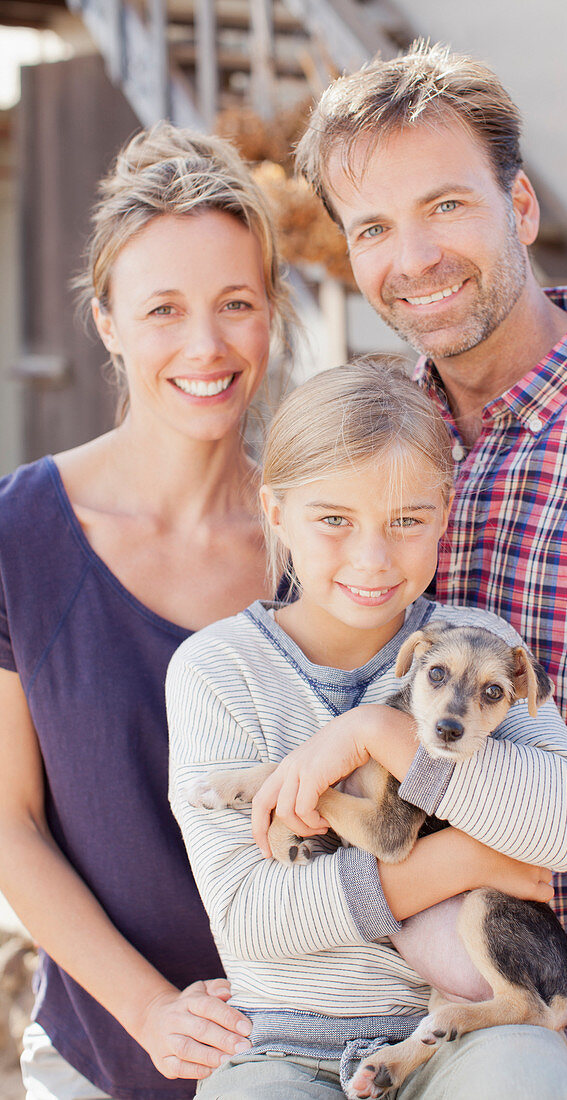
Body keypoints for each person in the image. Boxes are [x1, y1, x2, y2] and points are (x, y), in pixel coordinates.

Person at [292, 41, 567, 1097]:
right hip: (400, 1048)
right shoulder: (373, 451)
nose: (414, 257)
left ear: (521, 205)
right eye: (373, 228)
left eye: (445, 205)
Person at [167, 359, 567, 1100]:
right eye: (333, 519)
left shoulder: (478, 647)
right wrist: (473, 861)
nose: (372, 557)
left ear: (444, 510)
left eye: (406, 520)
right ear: (275, 512)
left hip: (474, 1033)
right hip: (283, 1040)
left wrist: (377, 730)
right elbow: (250, 920)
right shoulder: (217, 669)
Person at [0, 121, 296, 1100]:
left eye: (235, 304)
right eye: (163, 309)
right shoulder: (18, 533)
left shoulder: (318, 541)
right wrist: (149, 1009)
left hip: (304, 1062)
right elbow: (9, 819)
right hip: (102, 1059)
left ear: (273, 312)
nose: (205, 346)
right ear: (107, 321)